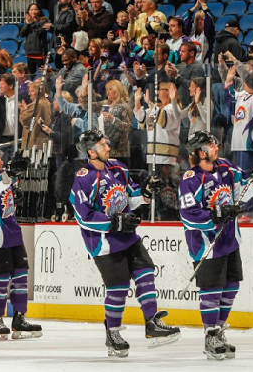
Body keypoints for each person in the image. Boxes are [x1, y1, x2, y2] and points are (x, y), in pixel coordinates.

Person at [69, 130, 180, 357]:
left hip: (128, 236)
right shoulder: (84, 178)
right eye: (102, 144)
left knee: (146, 271)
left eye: (105, 141)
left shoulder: (118, 168)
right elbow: (83, 217)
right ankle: (113, 333)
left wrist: (147, 191)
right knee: (118, 289)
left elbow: (132, 197)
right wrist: (113, 222)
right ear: (91, 152)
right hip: (104, 243)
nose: (107, 146)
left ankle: (151, 323)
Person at [179, 131, 253, 360]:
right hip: (206, 244)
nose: (216, 147)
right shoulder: (190, 179)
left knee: (231, 286)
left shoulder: (225, 167)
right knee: (211, 291)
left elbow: (243, 191)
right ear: (201, 152)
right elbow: (188, 214)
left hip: (230, 240)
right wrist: (217, 214)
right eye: (211, 145)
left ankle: (218, 331)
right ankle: (210, 335)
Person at [0, 147, 43, 340]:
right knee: (0, 281)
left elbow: (5, 195)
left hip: (13, 235)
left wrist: (15, 188)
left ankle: (20, 318)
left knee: (21, 278)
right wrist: (10, 173)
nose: (0, 162)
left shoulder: (3, 177)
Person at [19, 3, 50, 76]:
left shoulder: (43, 21)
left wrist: (32, 23)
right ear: (28, 12)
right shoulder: (28, 22)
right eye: (31, 10)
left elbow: (40, 32)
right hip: (30, 52)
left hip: (40, 52)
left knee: (43, 74)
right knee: (31, 75)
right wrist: (27, 24)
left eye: (35, 9)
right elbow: (21, 34)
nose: (33, 11)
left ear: (39, 11)